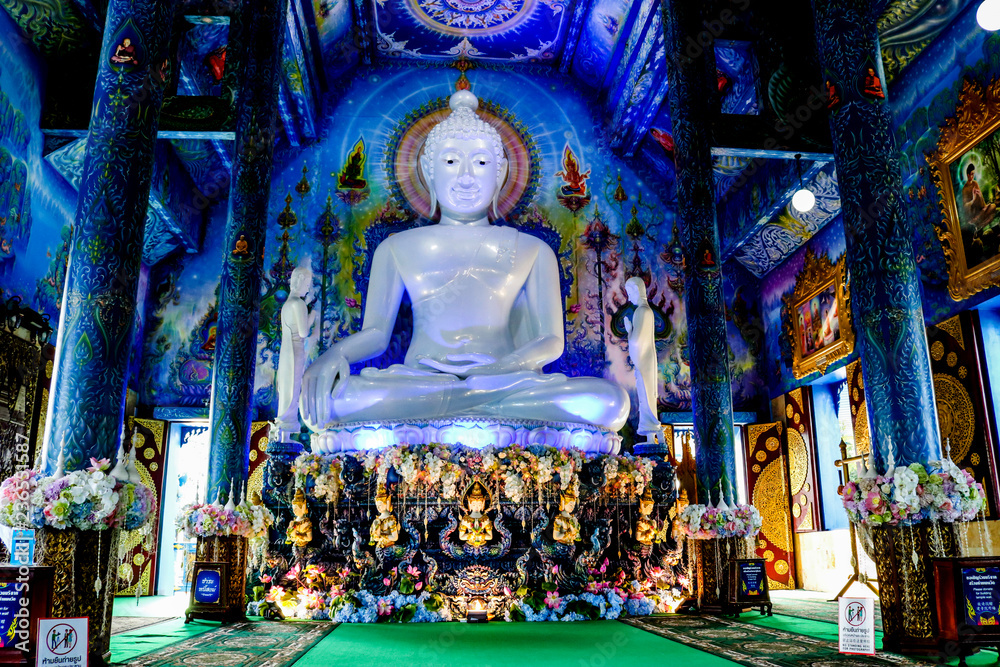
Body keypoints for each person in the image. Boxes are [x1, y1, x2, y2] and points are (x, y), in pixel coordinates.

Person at [299, 90, 628, 434]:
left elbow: (551, 341)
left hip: (505, 382)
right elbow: (376, 334)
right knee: (334, 400)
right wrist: (333, 356)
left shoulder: (532, 250)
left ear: (499, 176)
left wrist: (500, 369)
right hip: (420, 383)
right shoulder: (396, 247)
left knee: (608, 402)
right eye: (452, 162)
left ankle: (464, 402)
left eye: (482, 163)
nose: (467, 177)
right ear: (429, 172)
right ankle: (469, 404)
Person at [275, 259, 318, 439]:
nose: (307, 288)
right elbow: (303, 332)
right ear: (299, 281)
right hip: (295, 349)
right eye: (307, 284)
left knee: (286, 386)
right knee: (293, 386)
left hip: (286, 351)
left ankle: (285, 420)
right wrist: (313, 314)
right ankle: (288, 421)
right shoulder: (298, 304)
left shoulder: (287, 304)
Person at [624, 277, 662, 444]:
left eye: (629, 293)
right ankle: (650, 430)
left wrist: (629, 330)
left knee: (646, 396)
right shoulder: (646, 311)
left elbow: (636, 341)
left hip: (644, 361)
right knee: (646, 396)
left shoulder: (641, 311)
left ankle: (652, 427)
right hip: (646, 360)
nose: (628, 297)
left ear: (637, 291)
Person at [962, 162, 996, 230]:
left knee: (993, 206)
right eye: (971, 174)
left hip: (982, 210)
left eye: (973, 174)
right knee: (990, 215)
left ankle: (981, 224)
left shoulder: (975, 183)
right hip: (975, 214)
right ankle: (979, 222)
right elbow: (965, 206)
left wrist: (980, 195)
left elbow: (981, 200)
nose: (973, 176)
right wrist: (973, 199)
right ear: (968, 175)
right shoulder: (965, 189)